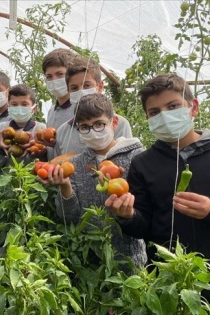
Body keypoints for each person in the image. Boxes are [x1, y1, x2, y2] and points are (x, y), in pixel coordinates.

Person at [105, 74, 210, 314]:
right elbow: (145, 227)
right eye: (154, 112)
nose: (164, 116)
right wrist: (128, 216)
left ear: (193, 107)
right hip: (167, 288)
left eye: (172, 107)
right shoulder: (144, 164)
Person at [40, 93, 147, 270]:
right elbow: (70, 217)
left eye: (99, 124)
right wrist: (65, 185)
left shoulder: (136, 158)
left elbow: (147, 214)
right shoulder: (74, 164)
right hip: (89, 260)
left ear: (113, 123)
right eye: (84, 127)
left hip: (129, 259)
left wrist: (126, 208)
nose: (92, 131)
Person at [54, 56, 133, 157]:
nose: (81, 91)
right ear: (68, 91)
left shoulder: (119, 124)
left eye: (87, 86)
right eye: (74, 88)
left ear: (99, 87)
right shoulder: (63, 132)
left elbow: (127, 159)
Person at [0, 84, 47, 178]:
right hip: (4, 187)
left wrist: (35, 153)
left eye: (24, 104)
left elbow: (46, 164)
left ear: (34, 108)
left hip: (31, 188)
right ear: (8, 106)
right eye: (14, 104)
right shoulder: (0, 130)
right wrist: (1, 149)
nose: (19, 108)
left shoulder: (41, 129)